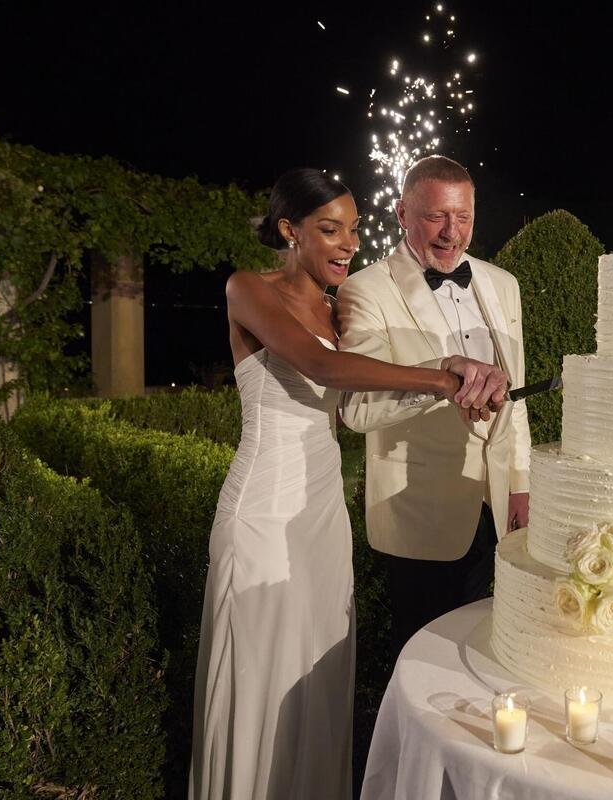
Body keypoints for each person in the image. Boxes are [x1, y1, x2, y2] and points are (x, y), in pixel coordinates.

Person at [188, 168, 507, 800]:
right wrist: (444, 376)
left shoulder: (340, 310)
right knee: (262, 663)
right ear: (290, 230)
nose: (349, 244)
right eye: (331, 230)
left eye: (355, 230)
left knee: (319, 667)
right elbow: (323, 366)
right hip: (264, 509)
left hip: (323, 509)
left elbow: (358, 402)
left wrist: (451, 384)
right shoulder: (248, 288)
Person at [336, 155, 531, 659]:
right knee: (424, 658)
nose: (451, 232)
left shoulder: (503, 284)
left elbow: (516, 398)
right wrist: (441, 382)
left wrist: (521, 484)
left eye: (463, 216)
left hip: (496, 505)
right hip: (419, 510)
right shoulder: (364, 290)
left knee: (494, 649)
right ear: (402, 213)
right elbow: (357, 408)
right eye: (435, 216)